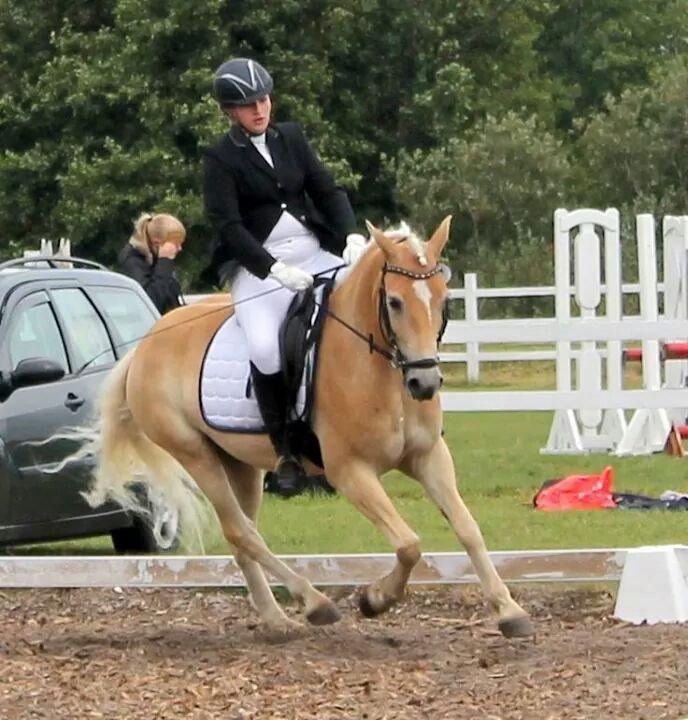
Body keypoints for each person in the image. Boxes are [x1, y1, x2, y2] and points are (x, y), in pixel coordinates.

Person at [202, 57, 368, 495]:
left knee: (362, 314)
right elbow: (228, 225)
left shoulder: (291, 138)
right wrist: (271, 269)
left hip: (314, 253)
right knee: (264, 347)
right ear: (230, 112)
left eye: (264, 100)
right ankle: (286, 451)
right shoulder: (219, 158)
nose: (260, 110)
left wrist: (350, 236)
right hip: (261, 267)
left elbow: (326, 189)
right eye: (248, 105)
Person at [118, 213, 186, 315]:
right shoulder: (132, 261)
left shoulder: (157, 261)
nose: (180, 248)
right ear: (157, 243)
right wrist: (165, 260)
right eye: (176, 244)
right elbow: (152, 301)